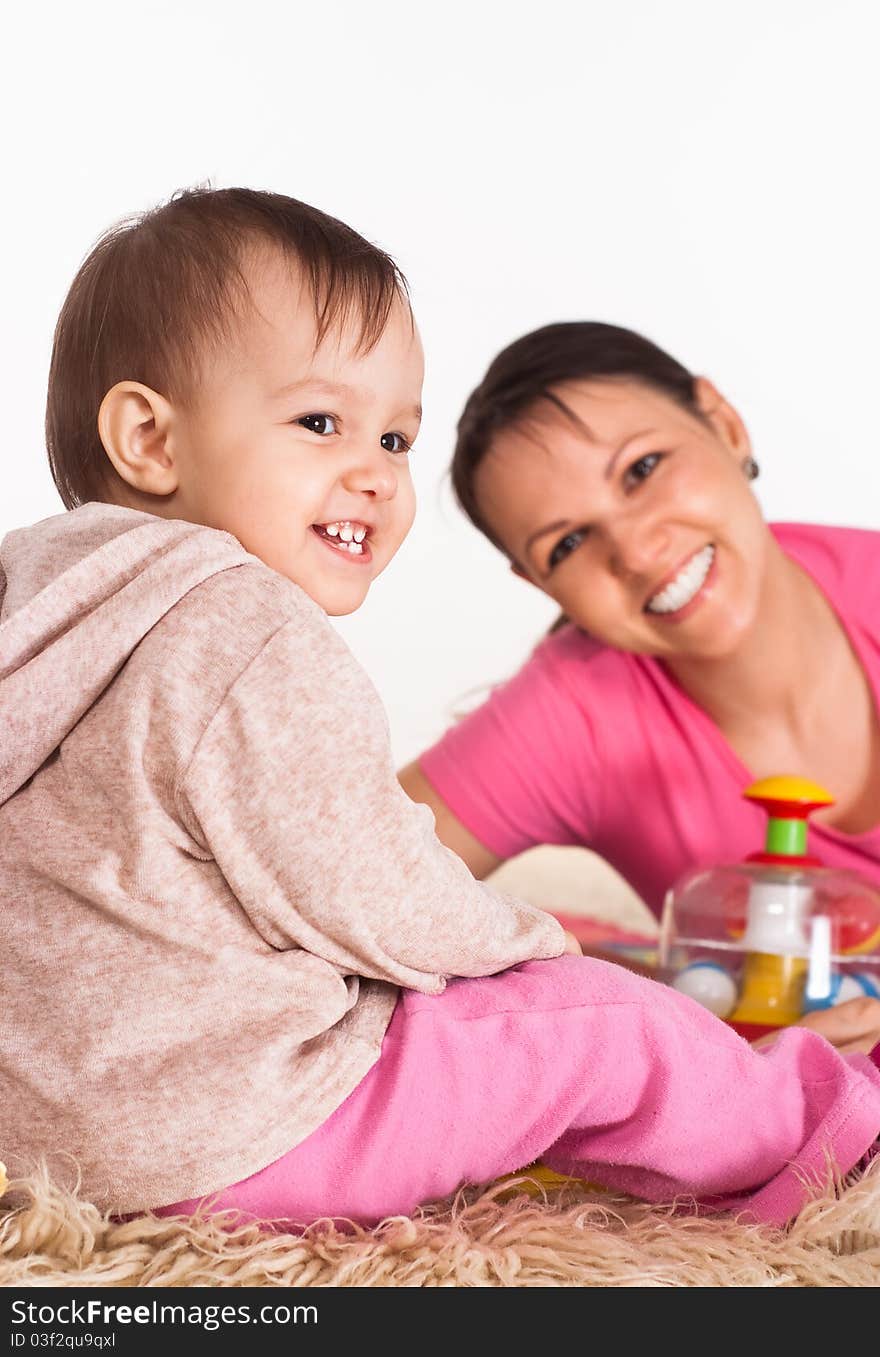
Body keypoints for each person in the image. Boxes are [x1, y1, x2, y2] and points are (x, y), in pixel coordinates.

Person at [1, 195, 878, 1234]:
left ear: (723, 425)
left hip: (50, 1139)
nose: (372, 473)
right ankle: (830, 1131)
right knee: (598, 1024)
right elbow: (377, 887)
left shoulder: (42, 603)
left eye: (393, 436)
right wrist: (547, 949)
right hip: (239, 1129)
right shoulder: (245, 624)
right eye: (321, 422)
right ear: (149, 436)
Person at [399, 322, 880, 1043]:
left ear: (724, 424)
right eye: (566, 543)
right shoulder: (573, 711)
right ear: (538, 582)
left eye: (642, 468)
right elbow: (341, 880)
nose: (633, 549)